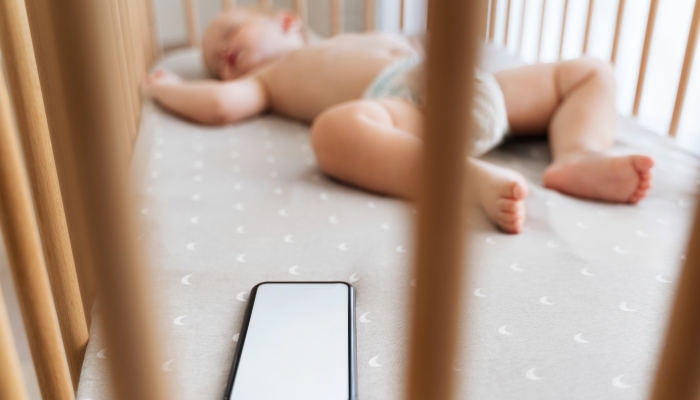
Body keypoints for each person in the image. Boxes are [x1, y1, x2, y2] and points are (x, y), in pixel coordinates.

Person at [142, 8, 654, 234]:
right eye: (214, 58)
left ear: (286, 20)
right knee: (334, 131)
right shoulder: (268, 79)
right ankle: (465, 180)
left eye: (231, 30)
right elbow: (221, 106)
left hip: (455, 84)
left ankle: (579, 154)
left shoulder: (346, 40)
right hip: (399, 110)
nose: (222, 49)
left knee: (589, 71)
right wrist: (166, 89)